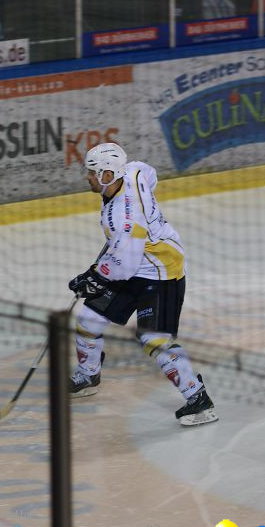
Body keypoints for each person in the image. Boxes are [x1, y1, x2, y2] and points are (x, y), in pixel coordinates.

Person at [67, 143, 217, 426]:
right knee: (88, 319)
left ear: (108, 175)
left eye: (91, 172)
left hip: (162, 272)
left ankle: (198, 400)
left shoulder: (123, 218)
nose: (87, 177)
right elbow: (150, 174)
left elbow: (124, 264)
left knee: (153, 338)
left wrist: (93, 278)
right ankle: (89, 375)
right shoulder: (133, 172)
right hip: (136, 263)